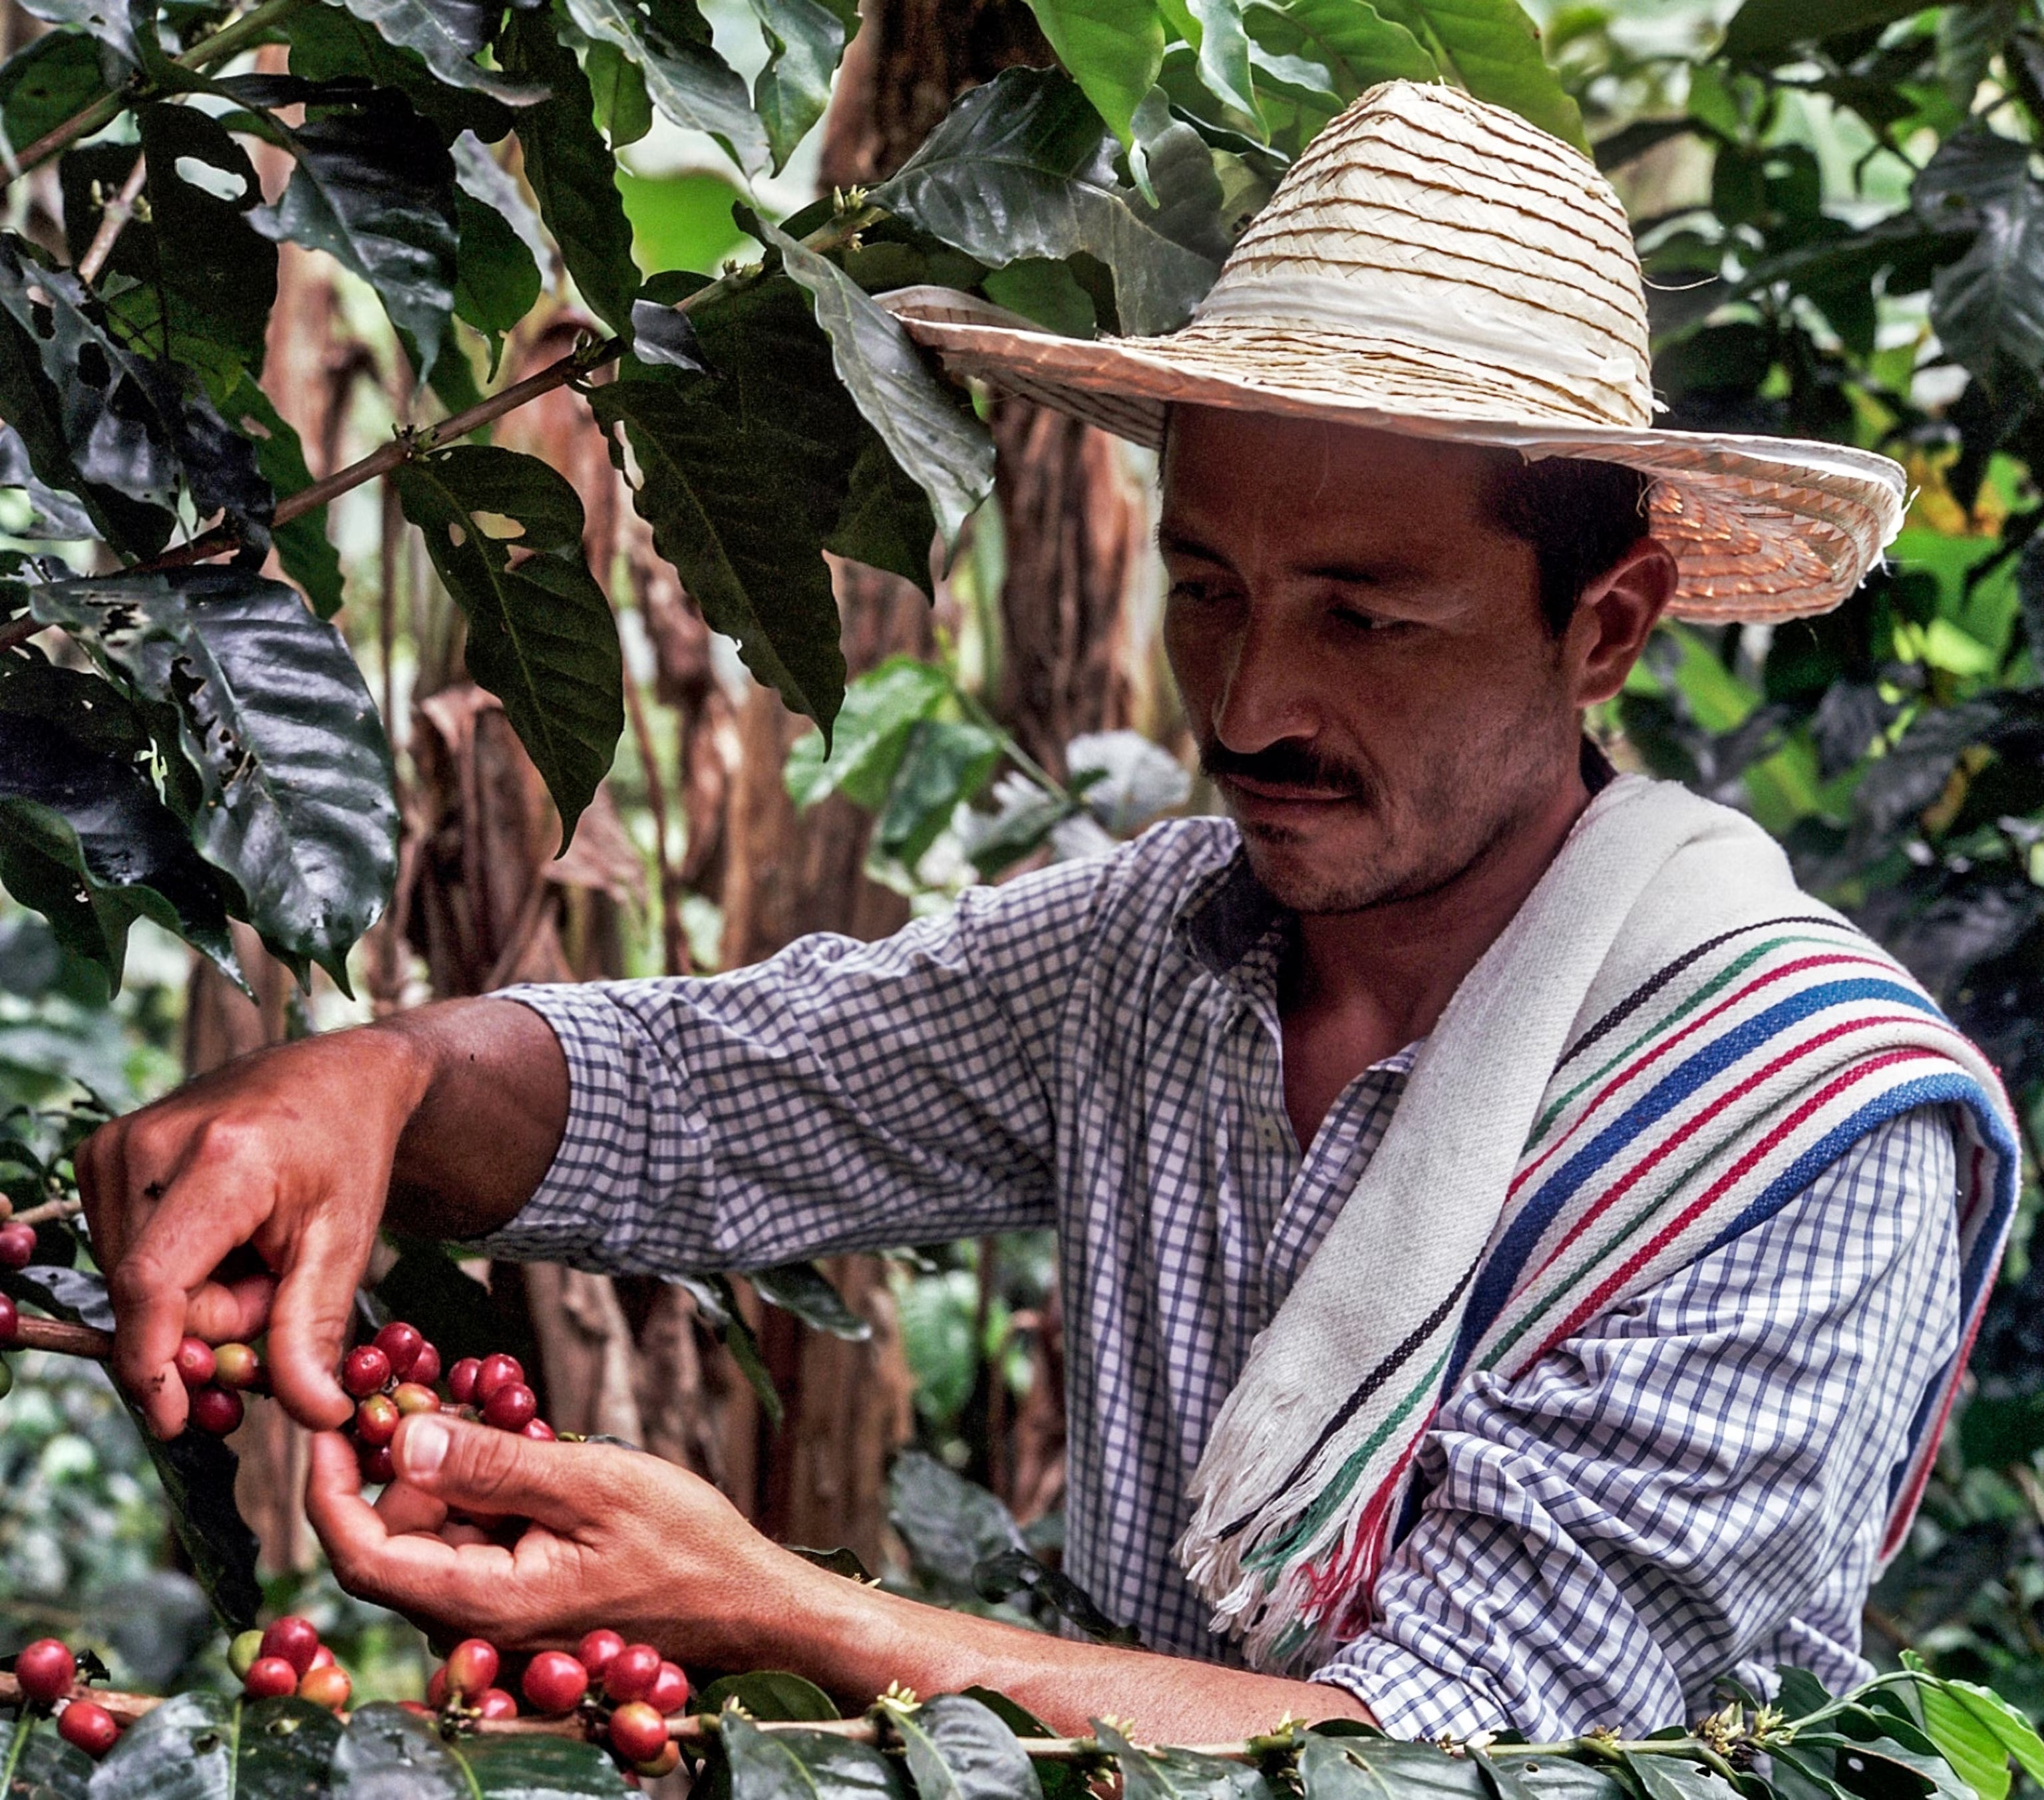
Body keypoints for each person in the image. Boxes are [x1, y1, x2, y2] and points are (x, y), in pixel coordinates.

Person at [79, 82, 2018, 1745]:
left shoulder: (1800, 1131)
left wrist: (785, 1610)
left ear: (1603, 627)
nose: (1249, 705)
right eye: (1207, 587)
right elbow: (710, 1095)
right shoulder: (1166, 953)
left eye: (1366, 615)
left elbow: (1453, 1758)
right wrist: (372, 1083)